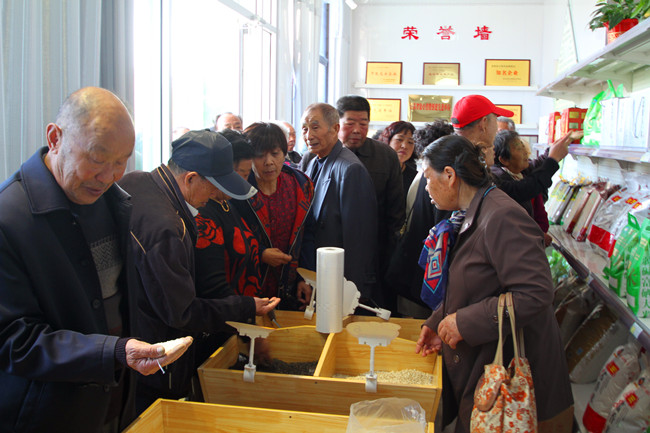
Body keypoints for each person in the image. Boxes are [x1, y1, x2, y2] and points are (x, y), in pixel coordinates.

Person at [0, 87, 192, 433]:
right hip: (47, 413)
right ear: (55, 138)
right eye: (97, 158)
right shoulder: (10, 219)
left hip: (114, 400)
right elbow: (13, 340)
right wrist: (112, 352)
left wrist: (125, 352)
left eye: (121, 161)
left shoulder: (114, 201)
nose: (109, 176)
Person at [415, 135, 573, 433]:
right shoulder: (473, 212)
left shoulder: (502, 215)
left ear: (449, 175)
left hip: (514, 380)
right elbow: (477, 282)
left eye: (427, 178)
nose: (426, 187)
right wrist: (439, 321)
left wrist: (464, 322)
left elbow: (535, 293)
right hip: (486, 363)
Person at [119, 129, 280, 412]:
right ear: (191, 178)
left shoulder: (135, 181)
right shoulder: (168, 229)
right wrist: (246, 307)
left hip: (125, 344)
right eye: (213, 186)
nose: (217, 195)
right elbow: (182, 313)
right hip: (154, 359)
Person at [299, 103, 380, 306]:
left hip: (339, 280)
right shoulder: (313, 161)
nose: (309, 135)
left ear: (335, 128)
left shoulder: (350, 169)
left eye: (315, 127)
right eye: (304, 129)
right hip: (316, 273)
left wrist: (353, 291)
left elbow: (359, 240)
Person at [233, 122, 314, 310]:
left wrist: (305, 276)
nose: (268, 162)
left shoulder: (300, 185)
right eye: (260, 155)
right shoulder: (238, 191)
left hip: (289, 286)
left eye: (275, 154)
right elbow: (231, 236)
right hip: (249, 287)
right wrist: (260, 253)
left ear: (285, 153)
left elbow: (308, 234)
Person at [336, 95, 405, 312]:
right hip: (334, 248)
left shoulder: (386, 156)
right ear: (337, 123)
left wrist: (390, 256)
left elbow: (396, 211)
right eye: (350, 123)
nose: (357, 130)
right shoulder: (322, 155)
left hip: (376, 251)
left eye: (363, 124)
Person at [385, 120, 454, 319]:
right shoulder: (429, 178)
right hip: (418, 265)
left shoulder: (418, 174)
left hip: (414, 264)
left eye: (410, 142)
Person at [451, 94, 515, 167]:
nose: (496, 129)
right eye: (495, 120)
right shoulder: (467, 166)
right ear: (483, 123)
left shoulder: (451, 155)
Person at [378, 120, 417, 198]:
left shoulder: (415, 178)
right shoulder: (374, 171)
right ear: (387, 140)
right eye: (399, 139)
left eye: (410, 142)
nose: (404, 146)